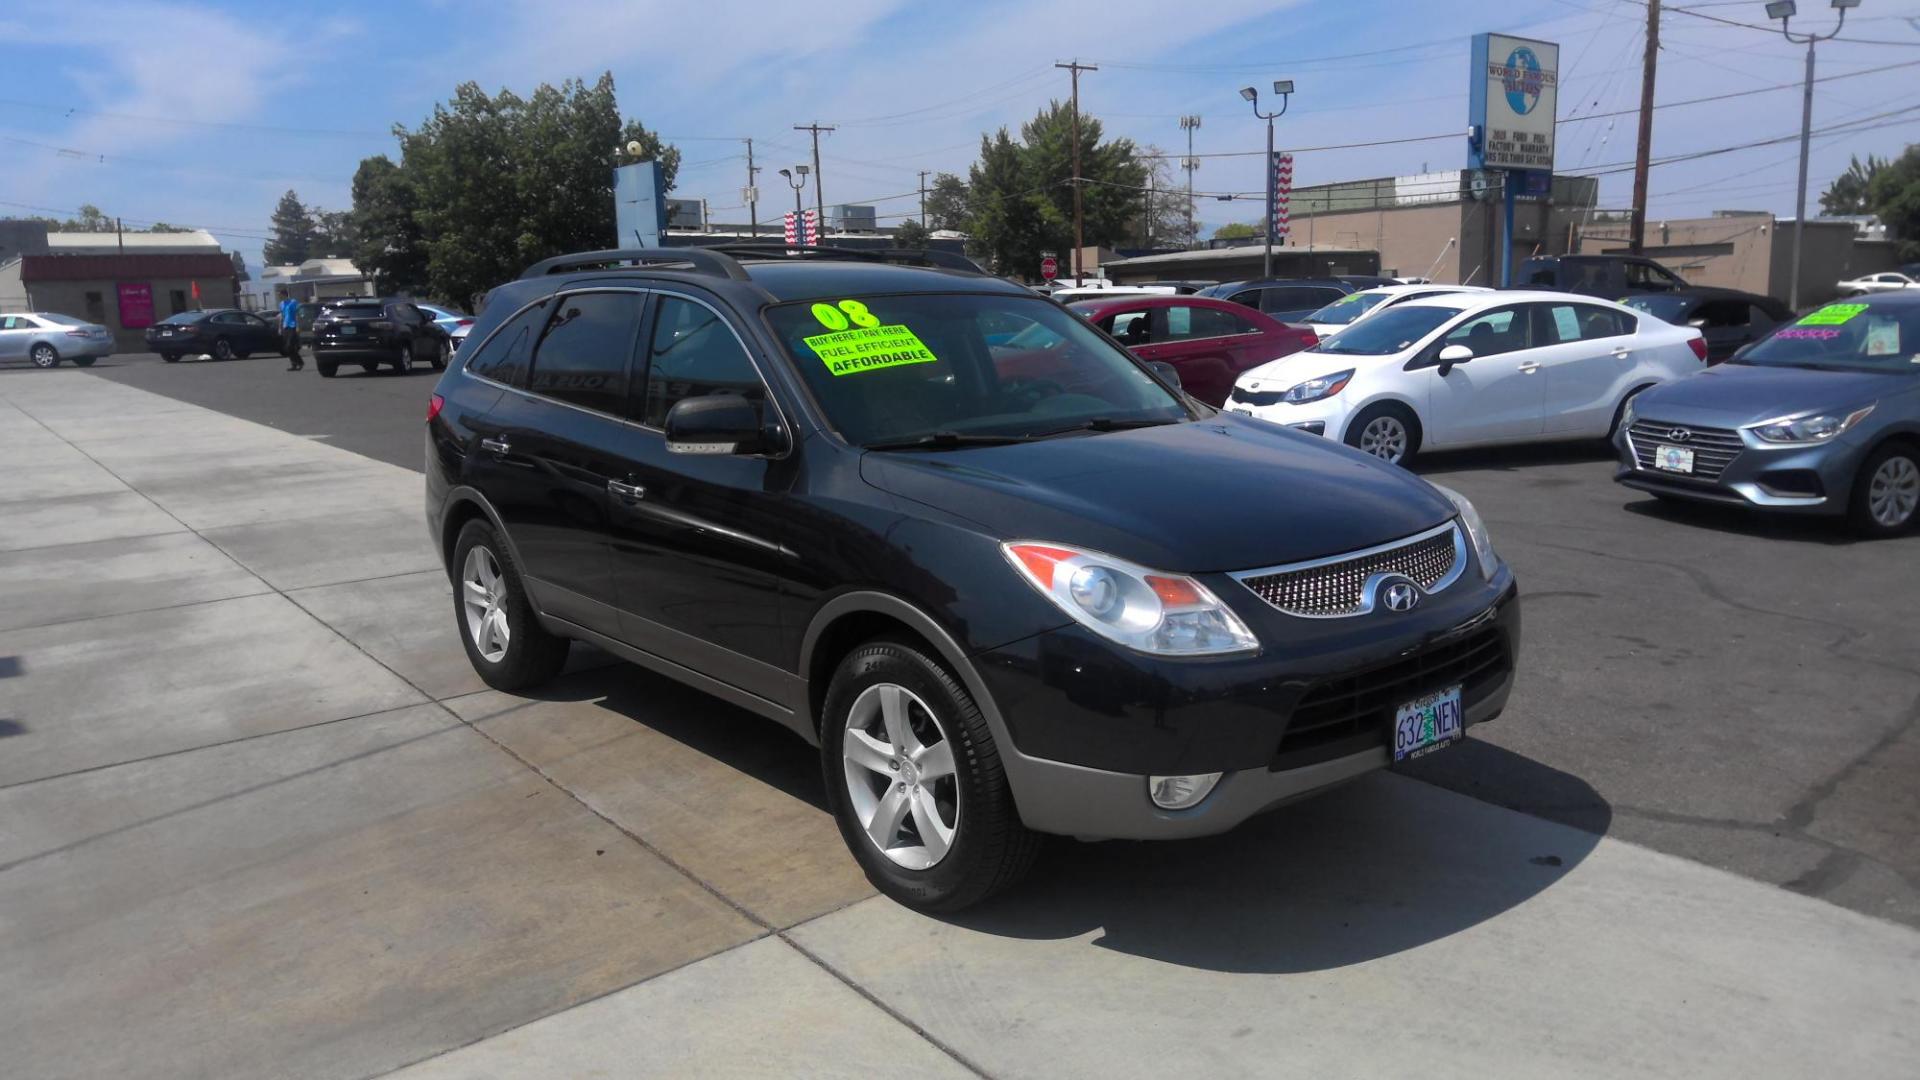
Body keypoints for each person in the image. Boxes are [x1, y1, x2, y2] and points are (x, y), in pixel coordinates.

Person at [278, 290, 303, 371]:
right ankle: (294, 364)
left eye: (280, 295)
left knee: (290, 346)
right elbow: (282, 316)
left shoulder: (293, 302)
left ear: (284, 295)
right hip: (285, 326)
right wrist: (280, 327)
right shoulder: (281, 304)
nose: (279, 297)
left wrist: (298, 326)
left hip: (292, 325)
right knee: (287, 348)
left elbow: (296, 314)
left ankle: (300, 362)